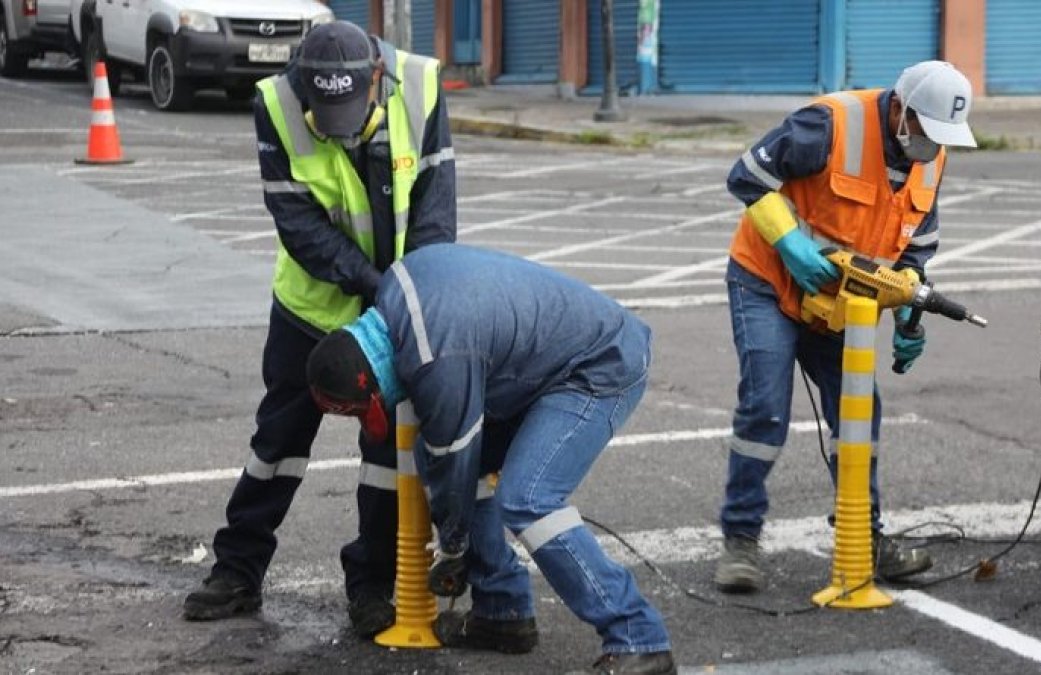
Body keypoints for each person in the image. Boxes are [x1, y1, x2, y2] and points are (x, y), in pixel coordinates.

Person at [183, 20, 456, 638]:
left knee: (388, 456)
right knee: (278, 442)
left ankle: (372, 588)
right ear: (302, 85)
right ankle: (237, 570)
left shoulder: (421, 89)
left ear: (376, 81)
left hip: (392, 313)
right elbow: (299, 225)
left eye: (348, 109)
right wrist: (373, 282)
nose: (335, 124)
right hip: (310, 309)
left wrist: (413, 300)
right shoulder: (276, 106)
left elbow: (437, 214)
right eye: (321, 109)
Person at [305, 243, 677, 675]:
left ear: (371, 378)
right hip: (551, 362)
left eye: (371, 406)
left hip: (599, 365)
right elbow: (452, 460)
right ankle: (503, 613)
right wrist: (454, 535)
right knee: (441, 458)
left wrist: (453, 548)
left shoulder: (436, 357)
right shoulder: (394, 293)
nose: (384, 409)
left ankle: (639, 636)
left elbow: (456, 457)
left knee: (528, 497)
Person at [714, 61, 977, 593]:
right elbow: (745, 176)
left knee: (859, 410)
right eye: (926, 131)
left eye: (943, 137)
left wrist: (908, 306)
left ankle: (864, 536)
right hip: (767, 281)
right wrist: (790, 243)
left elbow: (916, 247)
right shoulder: (831, 124)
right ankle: (740, 540)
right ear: (901, 111)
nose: (933, 146)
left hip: (837, 301)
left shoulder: (933, 152)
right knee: (765, 406)